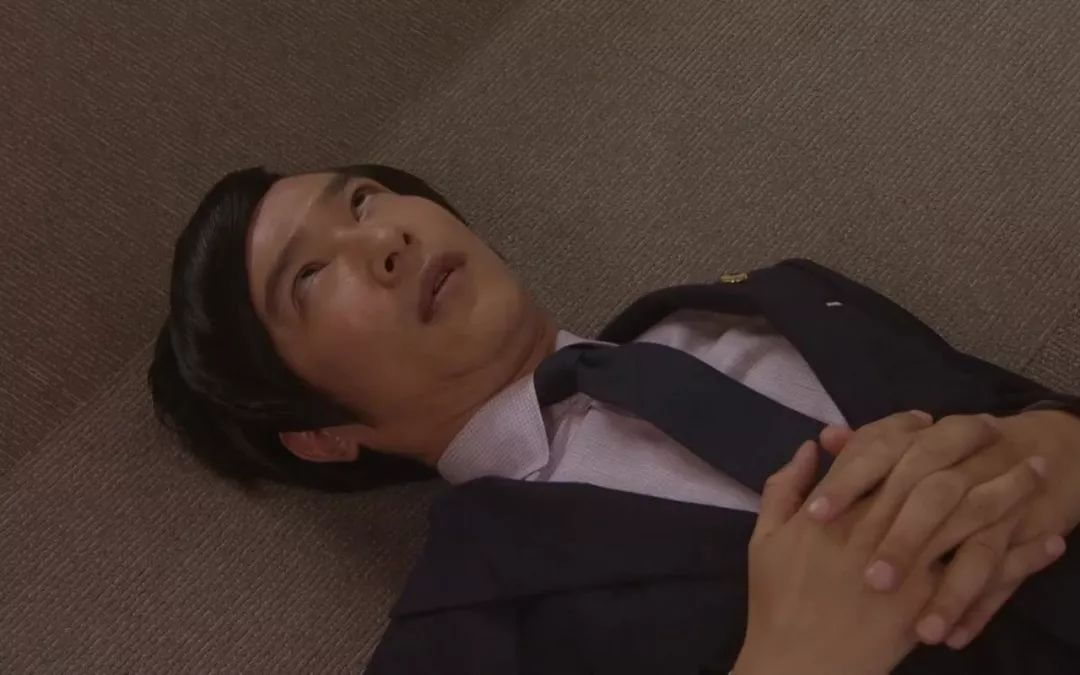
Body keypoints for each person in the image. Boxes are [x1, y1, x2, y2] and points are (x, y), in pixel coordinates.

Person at [149, 164, 1080, 674]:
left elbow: (1022, 406)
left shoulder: (780, 297)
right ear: (320, 436)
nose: (383, 237)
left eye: (360, 200)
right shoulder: (449, 644)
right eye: (310, 277)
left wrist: (1056, 447)